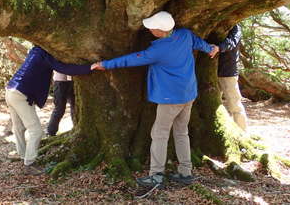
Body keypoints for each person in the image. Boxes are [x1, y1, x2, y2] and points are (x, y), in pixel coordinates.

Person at [93, 11, 219, 191]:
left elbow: (131, 60)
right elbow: (199, 43)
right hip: (188, 94)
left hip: (170, 99)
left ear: (160, 31)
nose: (150, 29)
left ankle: (156, 175)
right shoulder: (184, 35)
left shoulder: (158, 50)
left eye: (152, 27)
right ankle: (185, 172)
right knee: (181, 133)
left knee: (159, 134)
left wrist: (105, 64)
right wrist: (210, 48)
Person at [5, 46, 91, 175]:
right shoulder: (45, 55)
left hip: (10, 90)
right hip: (20, 94)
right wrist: (90, 67)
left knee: (19, 128)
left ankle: (23, 155)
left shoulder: (35, 51)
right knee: (36, 131)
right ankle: (29, 163)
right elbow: (66, 69)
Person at [218, 24, 248, 131]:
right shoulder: (216, 25)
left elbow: (231, 42)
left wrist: (219, 48)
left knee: (235, 105)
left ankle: (243, 134)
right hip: (213, 72)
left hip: (228, 72)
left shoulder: (236, 28)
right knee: (215, 104)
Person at [46, 71, 75, 136]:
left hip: (72, 81)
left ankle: (76, 127)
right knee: (59, 108)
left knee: (75, 106)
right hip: (60, 82)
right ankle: (51, 132)